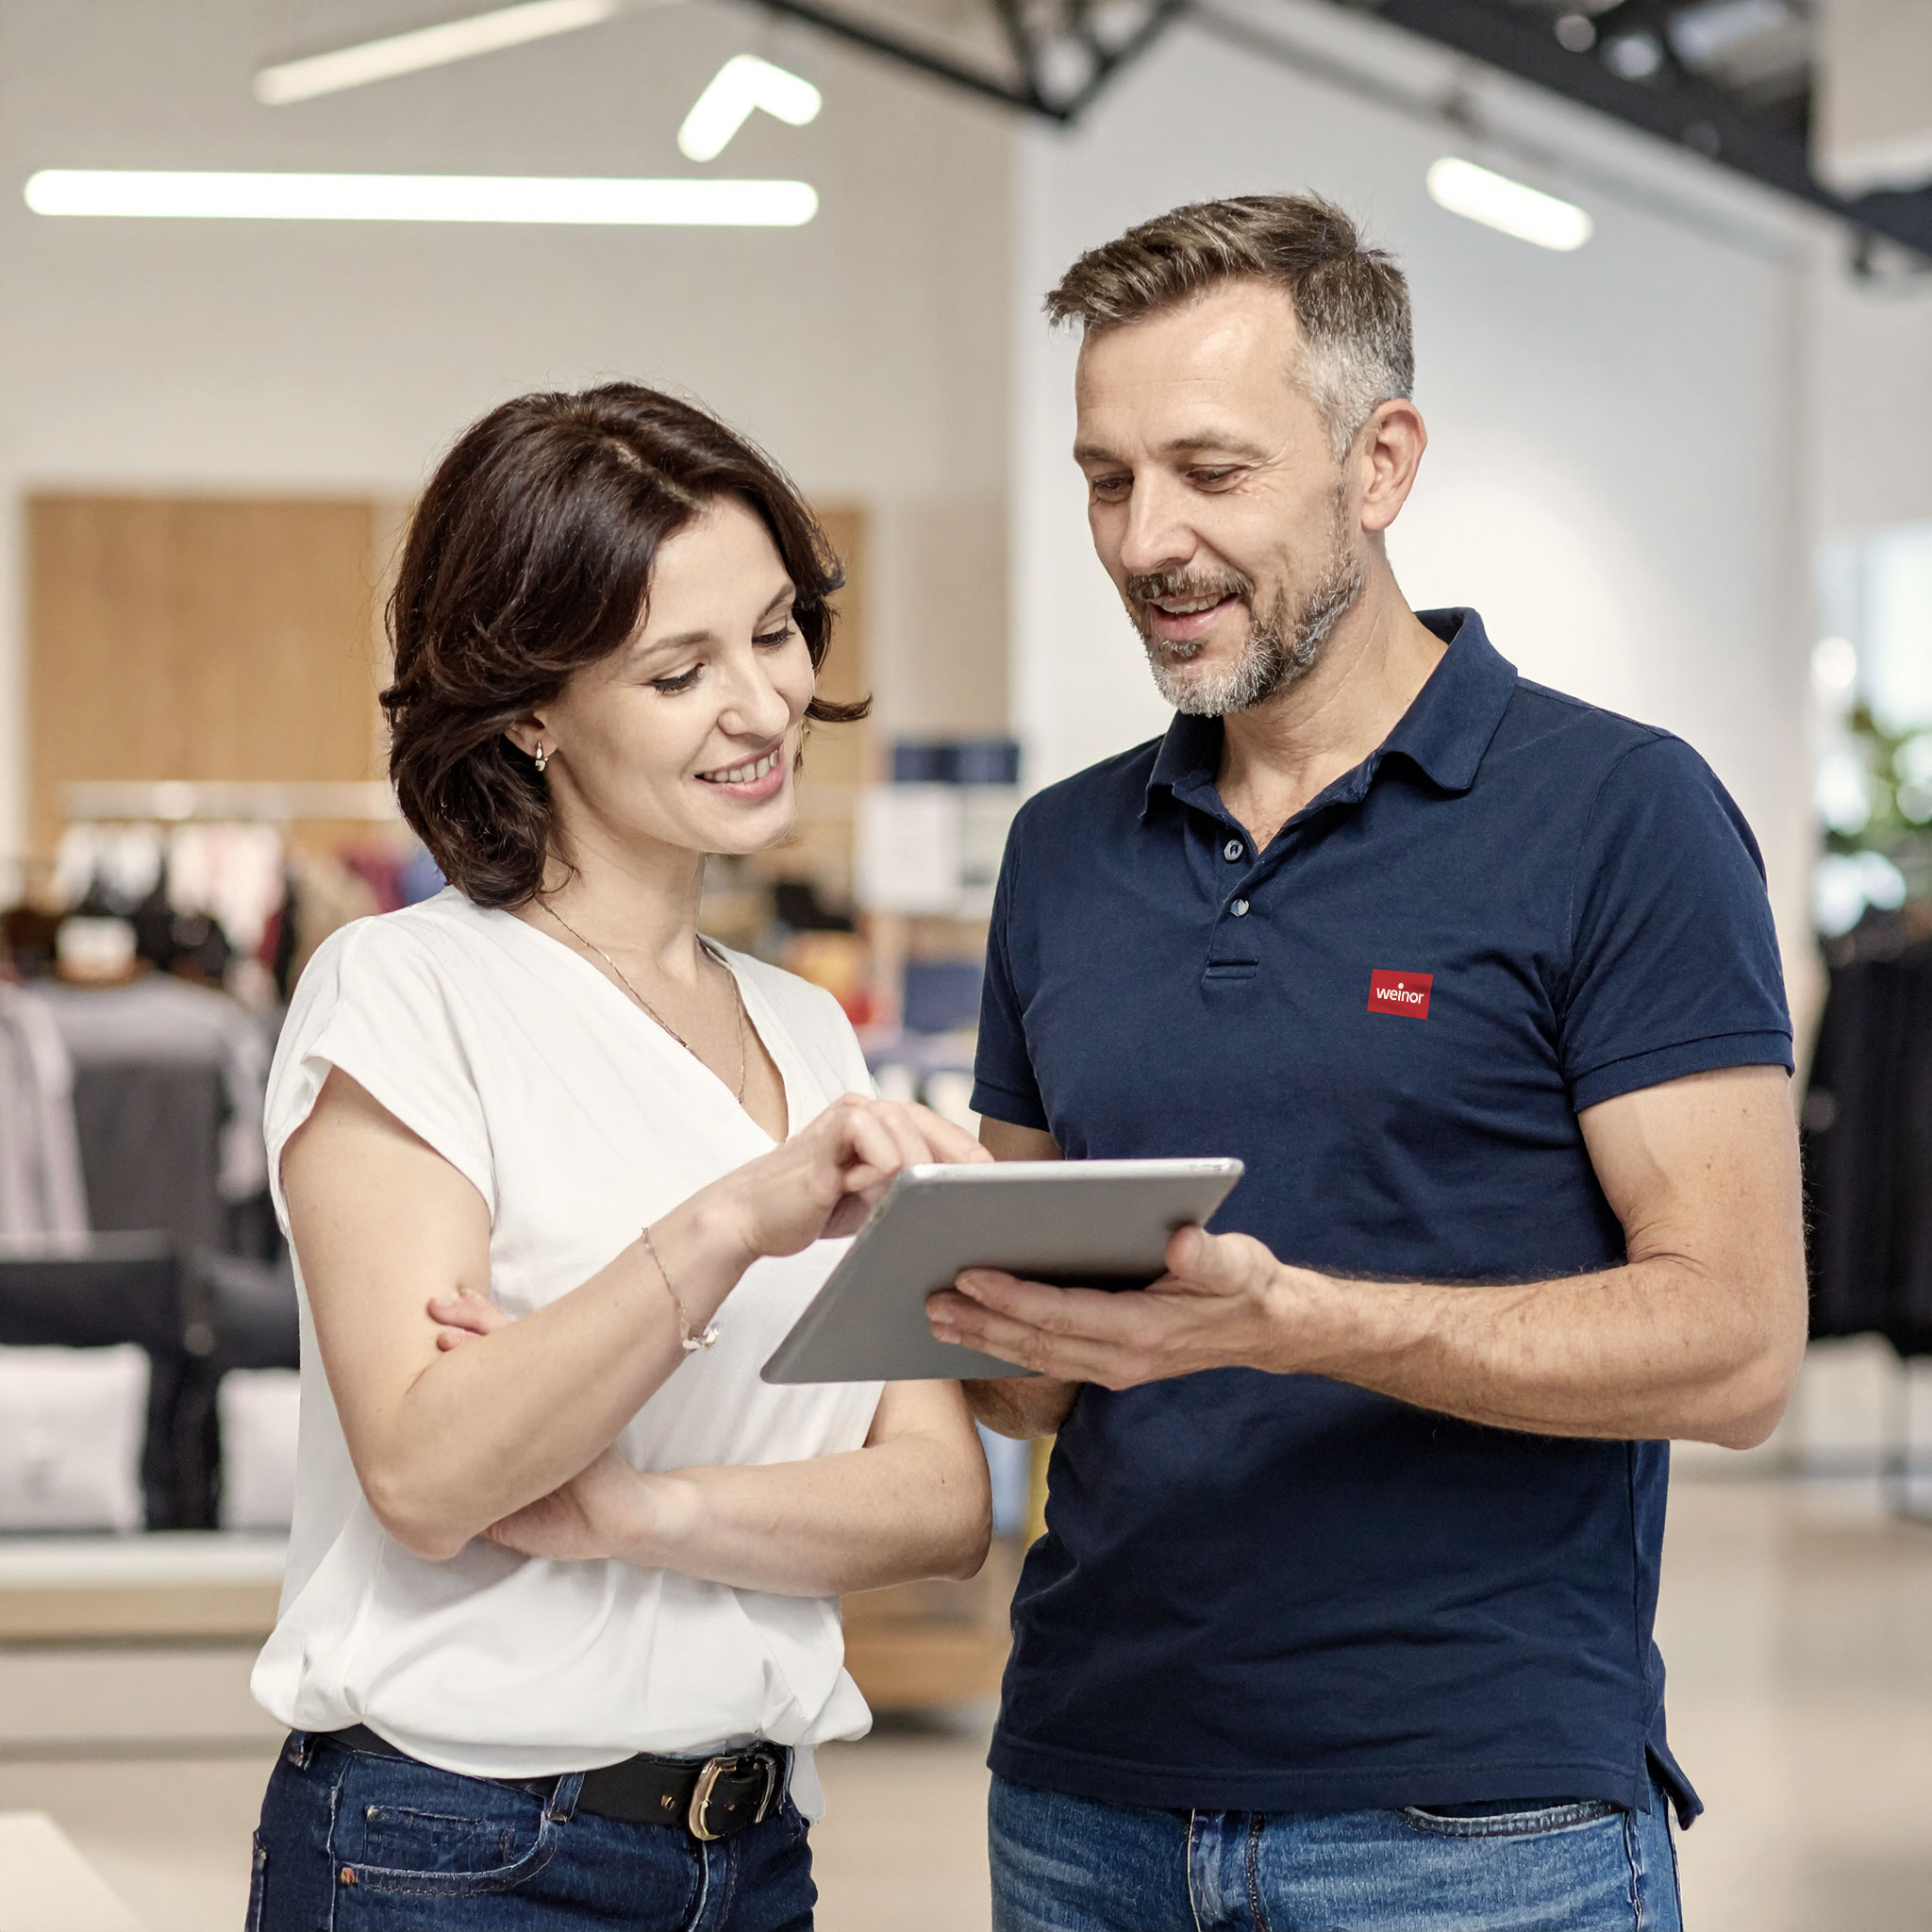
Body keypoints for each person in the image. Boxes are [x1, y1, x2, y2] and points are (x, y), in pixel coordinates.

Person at [926, 195, 1807, 1932]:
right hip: (1085, 1804)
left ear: (1379, 461)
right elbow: (1035, 1374)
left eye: (1209, 471)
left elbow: (1738, 1346)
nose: (1145, 539)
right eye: (1108, 480)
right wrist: (909, 1270)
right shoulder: (1063, 851)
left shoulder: (1620, 818)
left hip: (1476, 1827)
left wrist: (1300, 1322)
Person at [247, 383, 992, 1931]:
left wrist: (634, 1514)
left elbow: (933, 1501)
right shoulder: (405, 995)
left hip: (752, 1847)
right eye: (680, 670)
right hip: (448, 1849)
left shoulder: (811, 1037)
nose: (764, 705)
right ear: (529, 707)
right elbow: (433, 1468)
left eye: (777, 632)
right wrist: (736, 1219)